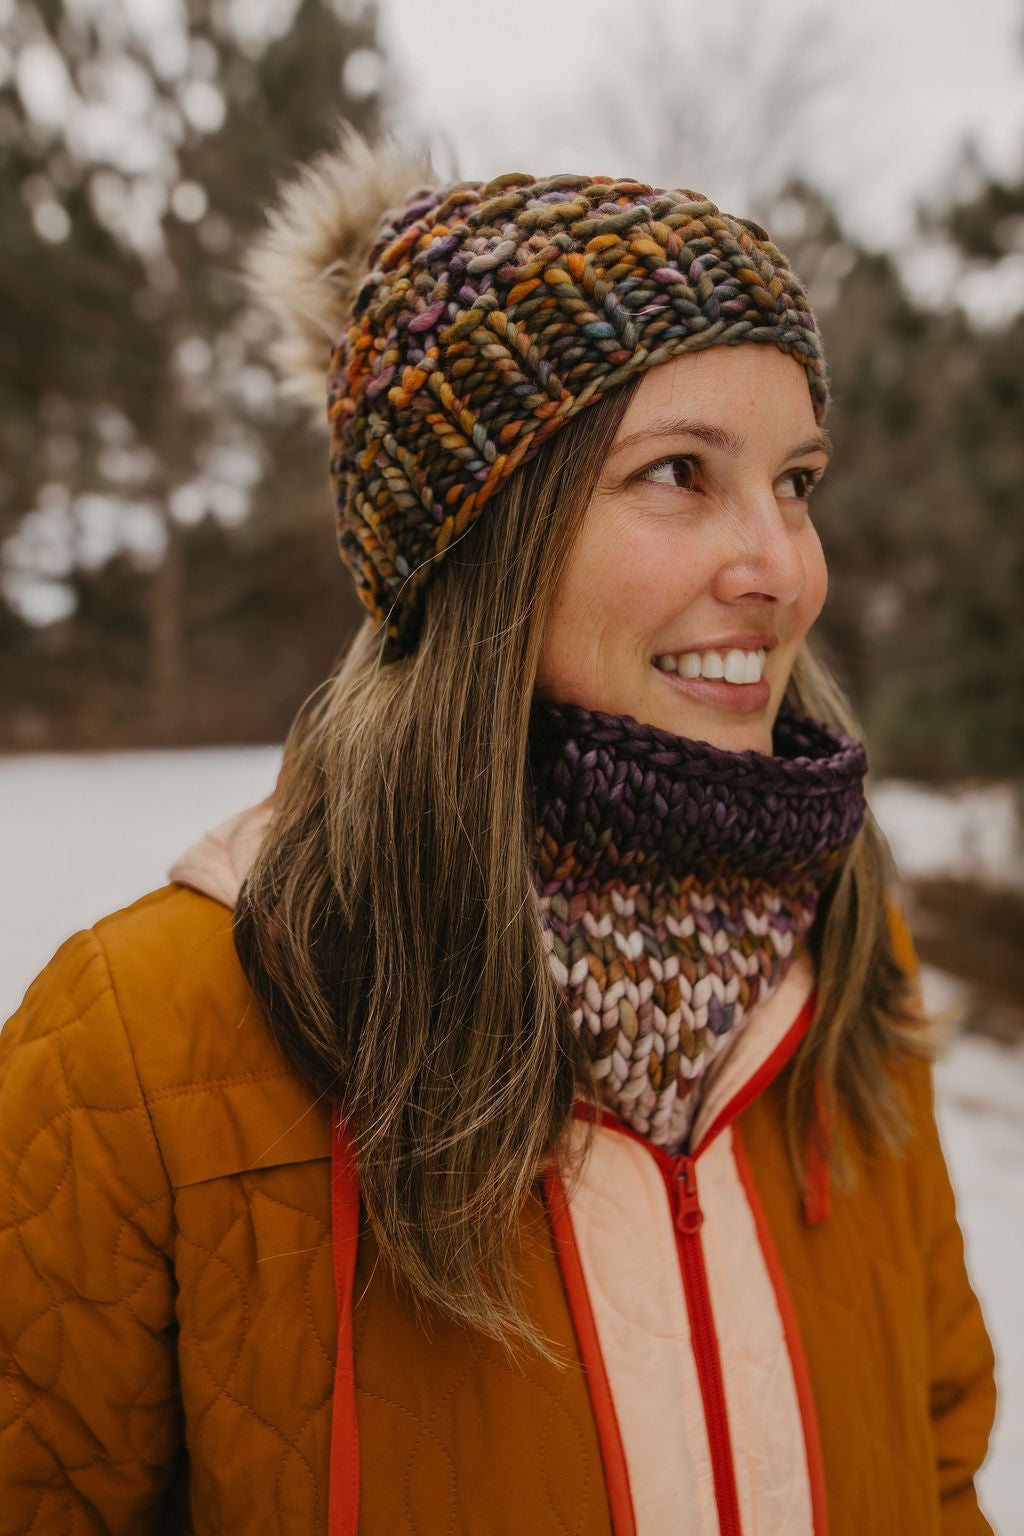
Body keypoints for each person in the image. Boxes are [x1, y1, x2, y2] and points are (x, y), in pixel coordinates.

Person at [0, 133, 996, 1535]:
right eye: (678, 473)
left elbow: (940, 1466)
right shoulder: (146, 1042)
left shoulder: (838, 962)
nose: (782, 566)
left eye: (796, 480)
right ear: (478, 540)